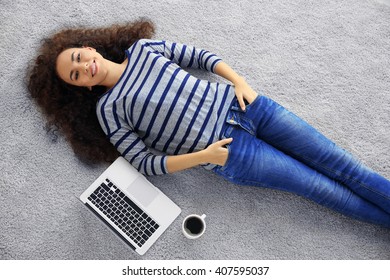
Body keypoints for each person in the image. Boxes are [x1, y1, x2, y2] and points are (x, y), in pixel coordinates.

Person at [27, 19, 390, 228]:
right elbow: (146, 163)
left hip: (249, 107)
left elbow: (200, 57)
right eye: (75, 75)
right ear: (84, 86)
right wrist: (205, 157)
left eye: (78, 57)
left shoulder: (142, 49)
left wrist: (240, 81)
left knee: (344, 166)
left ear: (89, 48)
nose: (82, 66)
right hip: (230, 154)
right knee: (320, 188)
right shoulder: (108, 111)